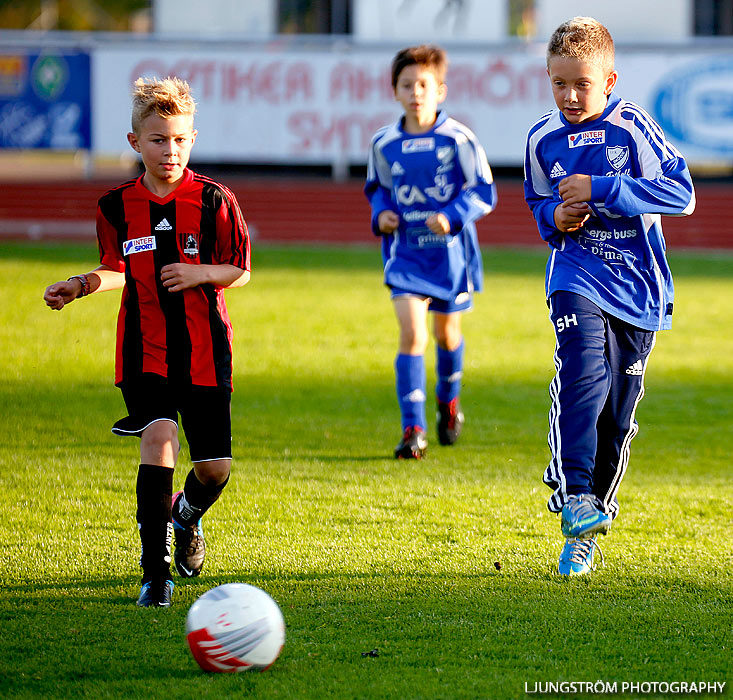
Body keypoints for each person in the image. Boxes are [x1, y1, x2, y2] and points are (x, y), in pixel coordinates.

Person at [43, 77, 251, 606]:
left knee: (214, 470)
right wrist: (81, 284)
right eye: (159, 140)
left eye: (180, 139)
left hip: (206, 351)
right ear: (136, 142)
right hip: (143, 348)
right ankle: (155, 575)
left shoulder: (213, 200)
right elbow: (117, 267)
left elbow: (240, 270)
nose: (170, 150)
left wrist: (199, 272)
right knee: (160, 437)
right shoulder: (115, 206)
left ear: (193, 139)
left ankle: (186, 516)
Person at [523, 17, 695, 575]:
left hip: (638, 285)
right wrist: (556, 216)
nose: (569, 96)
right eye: (558, 84)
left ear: (610, 81)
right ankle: (575, 497)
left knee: (617, 417)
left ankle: (591, 521)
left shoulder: (633, 129)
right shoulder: (541, 138)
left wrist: (603, 189)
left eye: (582, 84)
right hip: (575, 272)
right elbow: (536, 200)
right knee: (582, 374)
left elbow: (682, 194)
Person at [365, 45, 497, 459]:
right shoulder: (384, 143)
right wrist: (382, 213)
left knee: (446, 334)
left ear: (440, 90)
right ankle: (413, 429)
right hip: (406, 255)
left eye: (423, 85)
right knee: (412, 334)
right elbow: (377, 189)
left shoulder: (458, 138)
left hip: (450, 256)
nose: (416, 92)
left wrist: (453, 213)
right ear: (395, 91)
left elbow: (484, 190)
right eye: (407, 85)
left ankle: (449, 401)